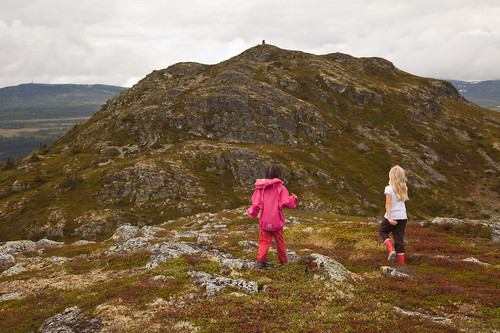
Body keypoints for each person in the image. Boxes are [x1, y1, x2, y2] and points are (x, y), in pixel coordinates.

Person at [247, 165, 298, 269]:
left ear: (266, 175)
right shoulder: (281, 188)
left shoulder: (261, 189)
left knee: (264, 241)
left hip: (265, 221)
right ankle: (283, 262)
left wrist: (251, 213)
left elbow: (256, 203)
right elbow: (287, 203)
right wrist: (294, 198)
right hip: (277, 222)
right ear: (279, 175)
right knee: (280, 242)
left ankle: (261, 262)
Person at [378, 165, 409, 264]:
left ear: (391, 176)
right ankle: (401, 265)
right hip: (402, 217)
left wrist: (389, 218)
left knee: (382, 230)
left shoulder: (388, 188)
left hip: (392, 216)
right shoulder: (404, 188)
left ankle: (391, 249)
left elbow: (388, 203)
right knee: (399, 240)